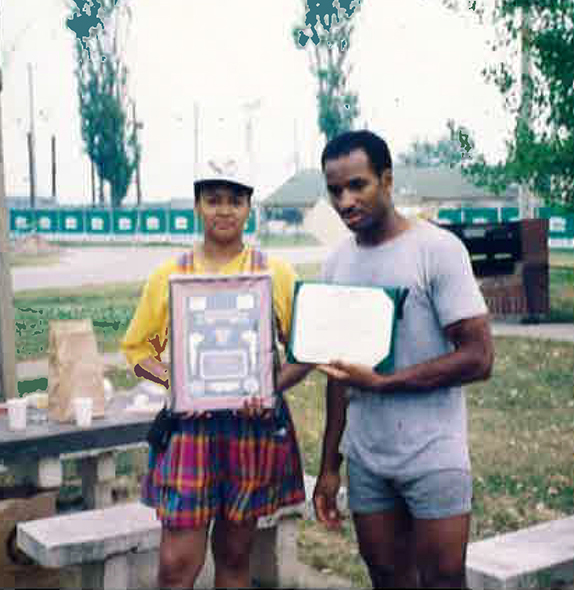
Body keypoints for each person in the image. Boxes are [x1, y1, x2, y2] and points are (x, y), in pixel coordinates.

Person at [311, 130, 495, 589]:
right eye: (335, 190)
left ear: (387, 180)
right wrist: (330, 466)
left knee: (442, 580)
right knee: (387, 577)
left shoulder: (437, 250)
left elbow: (479, 357)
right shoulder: (336, 264)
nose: (345, 201)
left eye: (358, 185)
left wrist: (383, 383)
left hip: (433, 453)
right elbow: (338, 376)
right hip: (367, 458)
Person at [120, 159, 309, 589]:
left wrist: (270, 387)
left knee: (235, 556)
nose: (224, 210)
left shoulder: (275, 273)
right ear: (197, 206)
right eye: (213, 200)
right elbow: (138, 350)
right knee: (175, 564)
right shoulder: (170, 274)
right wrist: (176, 384)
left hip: (252, 426)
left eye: (235, 201)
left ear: (249, 208)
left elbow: (305, 351)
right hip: (190, 429)